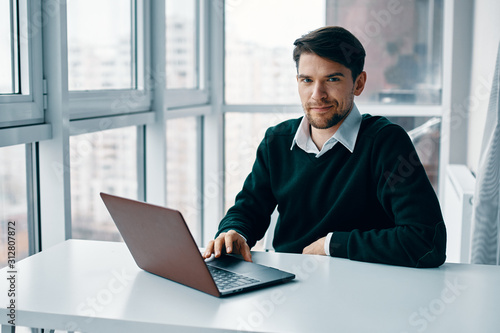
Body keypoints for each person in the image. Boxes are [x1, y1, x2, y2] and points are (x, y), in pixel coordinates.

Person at [203, 26, 446, 268]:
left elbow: (426, 242)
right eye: (307, 80)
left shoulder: (386, 143)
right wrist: (234, 231)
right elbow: (249, 209)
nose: (317, 94)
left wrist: (331, 245)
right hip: (286, 281)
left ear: (358, 83)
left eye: (332, 79)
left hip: (361, 286)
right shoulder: (276, 140)